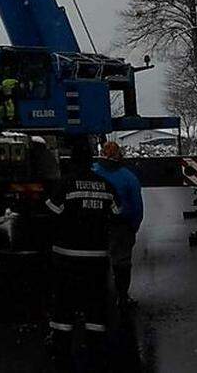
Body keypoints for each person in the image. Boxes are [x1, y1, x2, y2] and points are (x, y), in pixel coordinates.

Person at [44, 150, 121, 360]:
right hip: (96, 256)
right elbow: (117, 213)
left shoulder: (66, 184)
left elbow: (51, 212)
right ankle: (95, 344)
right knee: (95, 300)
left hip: (66, 256)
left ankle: (61, 345)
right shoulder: (105, 185)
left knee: (64, 300)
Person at [93, 141, 143, 308]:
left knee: (96, 260)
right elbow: (136, 206)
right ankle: (122, 296)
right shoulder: (128, 177)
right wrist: (133, 227)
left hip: (95, 224)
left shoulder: (92, 172)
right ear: (118, 155)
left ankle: (97, 297)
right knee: (122, 262)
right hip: (121, 226)